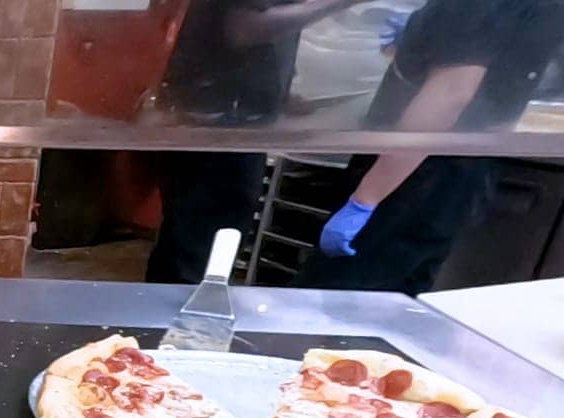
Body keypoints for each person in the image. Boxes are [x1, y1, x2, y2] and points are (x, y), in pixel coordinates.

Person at [297, 0, 564, 294]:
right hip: (468, 167)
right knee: (395, 302)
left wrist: (365, 199)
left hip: (413, 175)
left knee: (338, 298)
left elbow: (451, 93)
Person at [146, 0, 369, 284]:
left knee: (204, 243)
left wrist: (279, 94)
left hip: (233, 122)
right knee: (198, 249)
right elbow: (244, 28)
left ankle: (178, 318)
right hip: (213, 127)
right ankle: (179, 323)